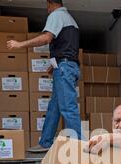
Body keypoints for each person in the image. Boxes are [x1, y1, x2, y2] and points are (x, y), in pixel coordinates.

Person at [7, 0, 82, 151]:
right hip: (67, 66)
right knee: (54, 107)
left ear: (50, 3)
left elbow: (47, 38)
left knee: (68, 107)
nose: (46, 9)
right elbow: (67, 48)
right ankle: (45, 142)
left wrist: (20, 44)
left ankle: (79, 145)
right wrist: (54, 65)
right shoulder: (71, 20)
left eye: (46, 5)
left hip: (64, 68)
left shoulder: (56, 15)